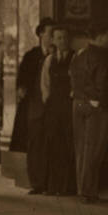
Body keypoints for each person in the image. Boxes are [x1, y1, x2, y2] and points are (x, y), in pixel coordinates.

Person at [71, 23, 108, 204]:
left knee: (81, 149)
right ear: (101, 36)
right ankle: (88, 192)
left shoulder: (79, 55)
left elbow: (73, 77)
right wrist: (97, 100)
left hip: (77, 103)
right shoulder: (102, 56)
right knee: (94, 150)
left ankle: (83, 189)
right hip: (96, 107)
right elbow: (102, 83)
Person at [37, 25, 77, 196]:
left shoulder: (76, 58)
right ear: (53, 40)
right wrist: (48, 100)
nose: (62, 41)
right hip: (53, 107)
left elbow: (77, 81)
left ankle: (68, 187)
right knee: (53, 144)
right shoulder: (49, 60)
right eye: (59, 38)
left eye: (65, 37)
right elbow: (44, 83)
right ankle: (53, 186)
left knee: (69, 145)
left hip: (69, 106)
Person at [14, 18, 54, 182]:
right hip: (34, 107)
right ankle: (36, 181)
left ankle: (50, 182)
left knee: (51, 143)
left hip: (52, 107)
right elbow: (22, 81)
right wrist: (22, 89)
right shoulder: (31, 56)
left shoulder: (58, 55)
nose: (53, 37)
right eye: (50, 33)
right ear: (41, 34)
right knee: (35, 143)